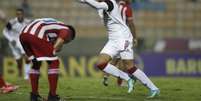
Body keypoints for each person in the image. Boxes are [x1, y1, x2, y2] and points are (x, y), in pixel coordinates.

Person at [79, 0, 159, 98]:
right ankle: (128, 79)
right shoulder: (102, 5)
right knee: (100, 63)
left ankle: (153, 88)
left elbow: (96, 5)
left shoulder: (109, 3)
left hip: (123, 37)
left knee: (130, 67)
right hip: (113, 40)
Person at [20, 18, 76, 101]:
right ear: (70, 35)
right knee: (54, 62)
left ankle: (34, 96)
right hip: (35, 34)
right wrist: (54, 51)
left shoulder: (55, 27)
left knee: (36, 63)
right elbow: (58, 43)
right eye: (68, 41)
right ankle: (52, 96)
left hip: (23, 34)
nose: (66, 42)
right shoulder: (66, 30)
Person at [102, 0, 137, 87]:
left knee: (116, 58)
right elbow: (131, 23)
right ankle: (120, 82)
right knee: (123, 60)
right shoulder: (127, 8)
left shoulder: (116, 6)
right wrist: (134, 37)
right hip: (124, 35)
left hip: (115, 34)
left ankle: (106, 76)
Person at [3, 8, 32, 80]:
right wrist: (11, 39)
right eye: (18, 14)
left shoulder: (27, 22)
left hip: (23, 41)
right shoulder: (12, 22)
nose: (19, 16)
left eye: (20, 14)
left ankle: (26, 76)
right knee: (18, 59)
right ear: (16, 15)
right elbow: (5, 32)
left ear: (23, 15)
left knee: (26, 57)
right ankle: (20, 73)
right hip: (14, 42)